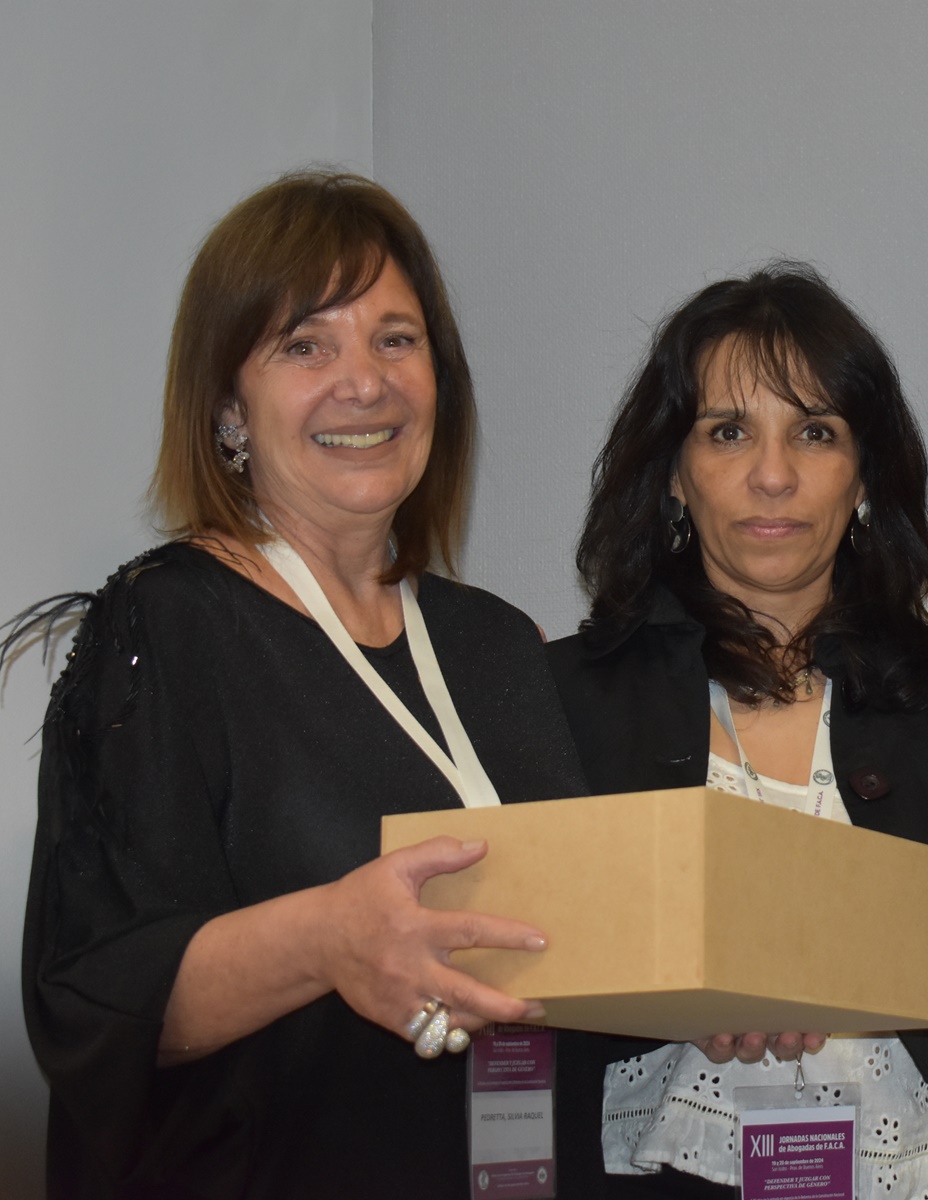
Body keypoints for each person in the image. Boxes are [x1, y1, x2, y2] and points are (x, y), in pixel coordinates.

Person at [12, 171, 600, 1197]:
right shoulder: (167, 626)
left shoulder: (501, 646)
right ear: (227, 408)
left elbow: (575, 943)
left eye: (396, 339)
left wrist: (713, 1002)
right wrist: (328, 938)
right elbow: (97, 998)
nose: (363, 383)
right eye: (305, 346)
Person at [549, 263, 928, 1199]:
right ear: (674, 474)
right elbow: (515, 1008)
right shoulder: (563, 702)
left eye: (815, 432)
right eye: (728, 431)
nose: (773, 474)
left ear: (863, 474)